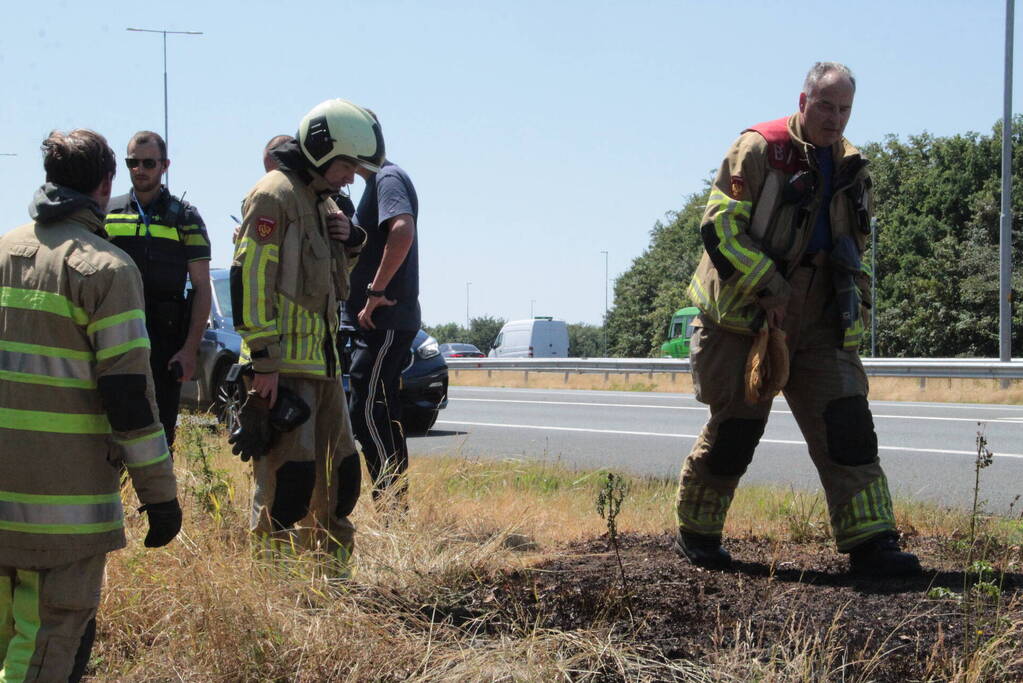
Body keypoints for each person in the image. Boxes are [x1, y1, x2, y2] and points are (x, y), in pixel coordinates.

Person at [674, 62, 921, 576]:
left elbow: (855, 246)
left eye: (845, 108)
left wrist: (852, 306)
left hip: (822, 319)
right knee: (736, 430)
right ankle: (698, 534)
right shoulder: (758, 148)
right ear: (803, 102)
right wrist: (770, 287)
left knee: (848, 426)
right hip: (745, 319)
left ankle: (873, 545)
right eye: (826, 105)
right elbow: (719, 229)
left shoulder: (855, 165)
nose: (835, 118)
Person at [0, 129, 181, 681]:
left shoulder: (4, 251)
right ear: (106, 184)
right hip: (64, 513)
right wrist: (160, 495)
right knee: (45, 649)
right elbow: (128, 397)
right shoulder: (108, 270)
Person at [229, 99, 379, 572]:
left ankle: (332, 582)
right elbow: (249, 280)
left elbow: (332, 284)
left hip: (325, 366)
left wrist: (350, 242)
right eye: (346, 165)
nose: (351, 177)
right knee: (286, 487)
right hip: (284, 372)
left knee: (340, 480)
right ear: (321, 149)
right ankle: (275, 592)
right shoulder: (274, 195)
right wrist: (264, 366)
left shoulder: (323, 202)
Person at [104, 131, 212, 449]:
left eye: (148, 163)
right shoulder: (107, 213)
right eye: (132, 163)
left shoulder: (186, 218)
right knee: (112, 432)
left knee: (161, 436)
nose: (140, 169)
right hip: (117, 333)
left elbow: (203, 288)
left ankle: (158, 499)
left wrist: (190, 350)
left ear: (164, 165)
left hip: (166, 340)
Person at [344, 109, 421, 502]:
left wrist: (375, 292)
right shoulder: (375, 182)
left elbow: (402, 228)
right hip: (382, 321)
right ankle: (395, 506)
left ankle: (391, 504)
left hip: (384, 319)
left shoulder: (387, 177)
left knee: (367, 411)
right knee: (382, 412)